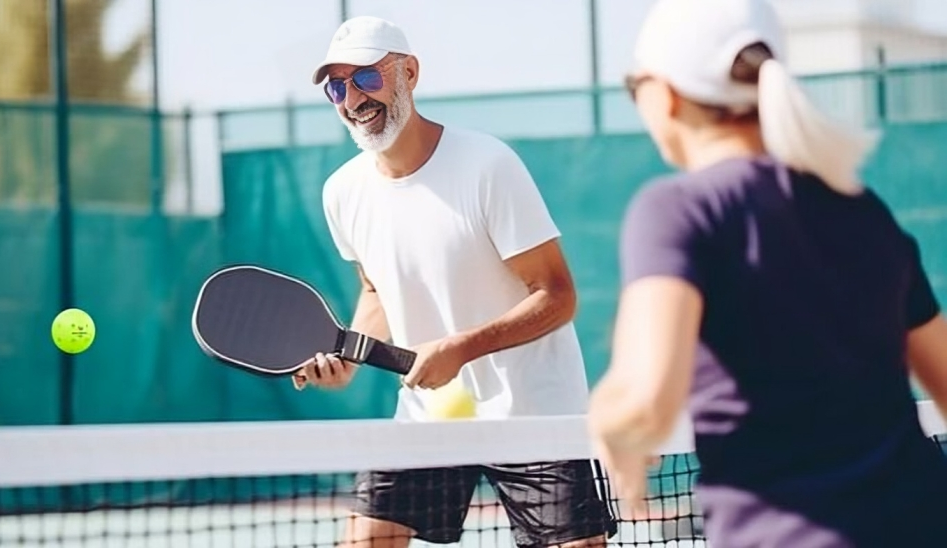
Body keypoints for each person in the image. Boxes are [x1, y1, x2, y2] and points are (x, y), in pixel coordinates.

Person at [586, 0, 947, 546]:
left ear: (664, 94)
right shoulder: (863, 208)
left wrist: (608, 420)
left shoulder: (676, 210)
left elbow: (647, 402)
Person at [294, 15, 616, 548]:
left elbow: (557, 296)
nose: (353, 98)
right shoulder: (342, 192)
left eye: (367, 78)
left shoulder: (488, 165)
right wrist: (347, 362)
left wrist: (461, 349)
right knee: (365, 541)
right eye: (337, 86)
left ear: (409, 73)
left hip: (536, 414)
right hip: (429, 418)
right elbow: (378, 288)